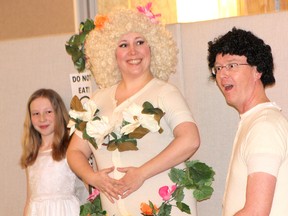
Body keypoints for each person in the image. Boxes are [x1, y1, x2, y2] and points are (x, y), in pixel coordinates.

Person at [67, 4, 200, 216]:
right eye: (123, 45)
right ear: (111, 53)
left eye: (140, 42)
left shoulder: (165, 93)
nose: (133, 51)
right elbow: (75, 151)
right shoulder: (98, 100)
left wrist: (141, 174)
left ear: (152, 47)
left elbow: (190, 140)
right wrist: (92, 177)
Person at [207, 27, 288, 215]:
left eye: (232, 65)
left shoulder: (264, 126)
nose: (222, 74)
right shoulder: (256, 122)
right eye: (218, 68)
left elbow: (256, 212)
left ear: (257, 70)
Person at [20, 89, 80, 216]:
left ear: (59, 113)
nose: (42, 118)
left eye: (48, 112)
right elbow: (29, 199)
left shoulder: (71, 149)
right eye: (36, 113)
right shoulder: (32, 154)